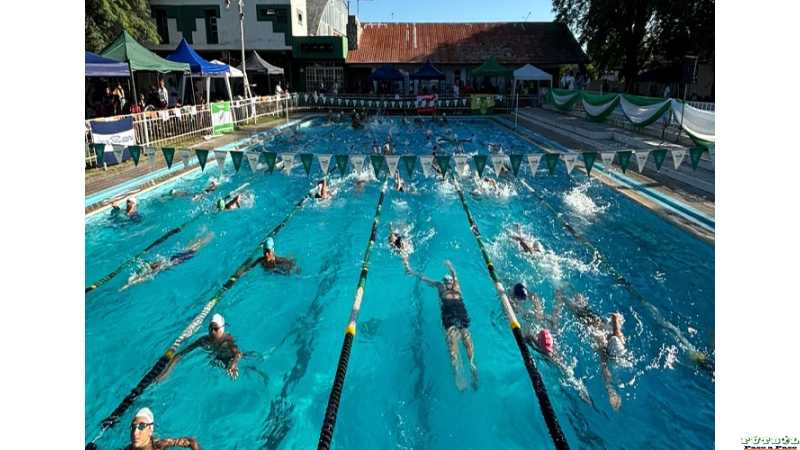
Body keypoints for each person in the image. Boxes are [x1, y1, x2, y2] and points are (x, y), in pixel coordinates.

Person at [408, 260, 478, 391]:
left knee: (453, 347)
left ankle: (460, 371)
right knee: (466, 340)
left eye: (448, 281)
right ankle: (471, 364)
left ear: (447, 282)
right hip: (460, 316)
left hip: (451, 318)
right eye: (447, 280)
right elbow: (431, 278)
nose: (447, 282)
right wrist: (450, 267)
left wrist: (413, 272)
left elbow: (426, 279)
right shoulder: (456, 288)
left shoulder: (441, 287)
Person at [556, 291, 628, 410]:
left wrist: (617, 320)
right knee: (570, 303)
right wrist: (611, 391)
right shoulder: (603, 344)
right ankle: (561, 294)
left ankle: (567, 291)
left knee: (581, 303)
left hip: (596, 320)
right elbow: (605, 370)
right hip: (588, 321)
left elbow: (615, 317)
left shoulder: (617, 335)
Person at [158, 313, 242, 381]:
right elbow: (181, 354)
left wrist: (233, 365)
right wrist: (167, 371)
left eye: (216, 329)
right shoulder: (204, 340)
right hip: (216, 358)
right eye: (210, 328)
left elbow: (238, 354)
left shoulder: (226, 341)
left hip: (230, 360)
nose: (212, 332)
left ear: (222, 328)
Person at [121, 234, 213, 290]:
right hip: (174, 259)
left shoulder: (156, 269)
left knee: (192, 249)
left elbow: (141, 278)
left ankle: (207, 237)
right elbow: (140, 277)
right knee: (191, 249)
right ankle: (207, 237)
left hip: (175, 260)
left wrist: (128, 285)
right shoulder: (158, 265)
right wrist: (128, 284)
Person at [125, 407, 200, 450]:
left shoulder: (159, 445)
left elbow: (191, 441)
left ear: (150, 430)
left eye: (141, 426)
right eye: (133, 427)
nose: (135, 432)